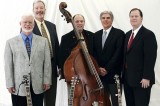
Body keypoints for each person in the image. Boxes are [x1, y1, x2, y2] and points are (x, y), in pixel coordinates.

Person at [4, 13, 51, 106]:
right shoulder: (10, 42)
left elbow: (47, 63)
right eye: (25, 22)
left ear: (33, 24)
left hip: (38, 84)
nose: (27, 24)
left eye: (30, 22)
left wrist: (47, 80)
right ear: (20, 23)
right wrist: (9, 83)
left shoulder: (43, 41)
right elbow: (8, 65)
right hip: (18, 85)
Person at [122, 8, 157, 106]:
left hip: (142, 80)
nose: (133, 18)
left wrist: (146, 77)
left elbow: (150, 57)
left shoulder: (148, 35)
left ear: (141, 18)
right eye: (131, 16)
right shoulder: (128, 34)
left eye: (136, 16)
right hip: (128, 79)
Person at [93, 11, 125, 106]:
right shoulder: (96, 35)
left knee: (115, 103)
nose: (105, 20)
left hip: (113, 76)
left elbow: (118, 54)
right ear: (100, 20)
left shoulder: (119, 34)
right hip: (100, 77)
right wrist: (98, 68)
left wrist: (106, 69)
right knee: (102, 103)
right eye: (103, 18)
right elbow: (93, 54)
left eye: (108, 18)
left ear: (112, 19)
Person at [32, 0, 59, 106]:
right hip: (36, 70)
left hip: (52, 68)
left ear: (45, 10)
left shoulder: (52, 26)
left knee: (51, 100)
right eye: (37, 8)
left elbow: (56, 47)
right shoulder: (29, 26)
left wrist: (59, 66)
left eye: (41, 8)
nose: (39, 10)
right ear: (33, 10)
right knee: (37, 100)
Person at [59, 14, 94, 79]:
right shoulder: (66, 38)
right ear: (73, 23)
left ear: (84, 22)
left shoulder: (92, 36)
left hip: (90, 72)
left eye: (81, 21)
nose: (79, 23)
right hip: (73, 73)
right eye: (77, 21)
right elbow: (61, 57)